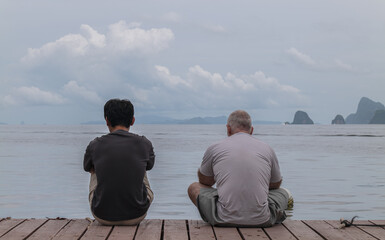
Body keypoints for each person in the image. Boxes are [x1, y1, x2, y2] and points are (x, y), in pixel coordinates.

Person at [187, 110, 293, 227]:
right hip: (263, 220)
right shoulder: (267, 148)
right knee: (283, 192)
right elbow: (275, 184)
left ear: (228, 129)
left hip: (222, 218)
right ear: (251, 130)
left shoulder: (214, 147)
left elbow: (205, 182)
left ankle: (214, 215)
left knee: (194, 187)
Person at [84, 98, 155, 225]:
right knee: (141, 166)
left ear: (106, 120)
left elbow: (86, 167)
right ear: (132, 120)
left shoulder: (95, 144)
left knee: (93, 167)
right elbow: (149, 166)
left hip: (102, 216)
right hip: (137, 215)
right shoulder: (145, 143)